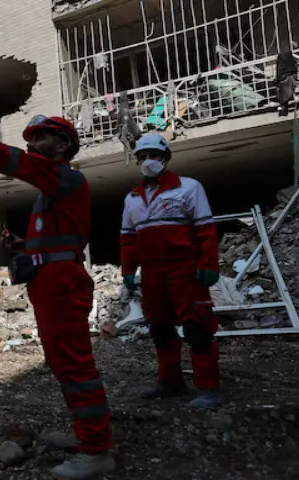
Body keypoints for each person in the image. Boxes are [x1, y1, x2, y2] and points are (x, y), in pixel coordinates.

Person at [0, 104, 113, 479]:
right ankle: (87, 435)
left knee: (75, 365)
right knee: (61, 363)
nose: (32, 145)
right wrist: (25, 246)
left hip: (61, 282)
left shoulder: (65, 178)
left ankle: (97, 450)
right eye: (30, 139)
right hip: (48, 280)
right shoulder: (50, 190)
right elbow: (61, 237)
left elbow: (4, 159)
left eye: (40, 137)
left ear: (63, 145)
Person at [120, 133, 222, 409]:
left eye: (154, 155)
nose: (148, 161)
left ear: (166, 158)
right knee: (160, 328)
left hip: (185, 269)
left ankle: (209, 387)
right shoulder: (132, 199)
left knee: (196, 327)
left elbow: (205, 230)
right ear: (137, 161)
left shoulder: (189, 188)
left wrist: (209, 264)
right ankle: (170, 383)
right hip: (153, 273)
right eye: (143, 157)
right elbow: (128, 237)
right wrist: (128, 269)